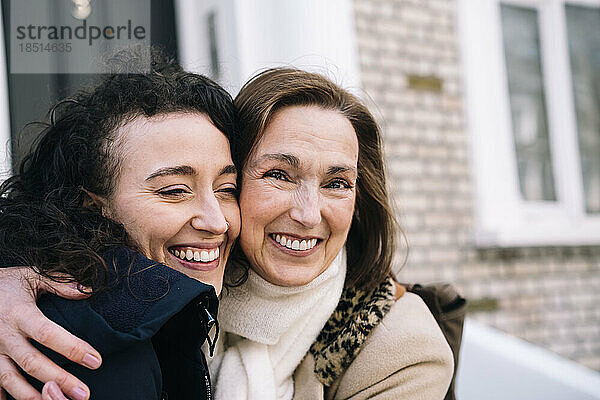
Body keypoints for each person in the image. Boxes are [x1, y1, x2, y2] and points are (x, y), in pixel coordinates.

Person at [0, 67, 454, 400]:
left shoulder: (402, 346)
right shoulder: (167, 285)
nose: (308, 212)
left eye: (337, 183)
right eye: (279, 174)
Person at [0, 52, 240, 400]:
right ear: (94, 208)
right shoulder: (100, 344)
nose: (217, 221)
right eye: (174, 191)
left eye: (227, 190)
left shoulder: (170, 312)